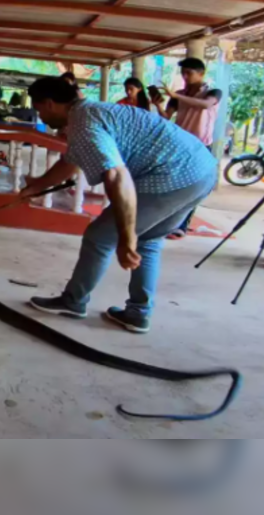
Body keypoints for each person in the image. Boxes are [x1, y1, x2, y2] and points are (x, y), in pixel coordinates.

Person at [23, 77, 217, 334]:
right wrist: (37, 185)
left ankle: (73, 301)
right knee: (148, 240)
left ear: (49, 103)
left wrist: (125, 239)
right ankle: (137, 313)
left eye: (39, 110)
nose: (41, 117)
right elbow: (71, 160)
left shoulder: (84, 124)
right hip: (201, 171)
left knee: (100, 236)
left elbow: (116, 176)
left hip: (172, 176)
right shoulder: (92, 111)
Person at [153, 58, 222, 239]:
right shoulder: (179, 94)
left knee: (193, 189)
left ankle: (180, 225)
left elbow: (205, 105)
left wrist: (176, 97)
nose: (185, 76)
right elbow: (166, 117)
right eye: (183, 73)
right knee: (170, 184)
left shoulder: (213, 92)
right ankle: (167, 222)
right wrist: (159, 104)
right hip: (180, 146)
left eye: (189, 72)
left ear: (201, 73)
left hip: (201, 147)